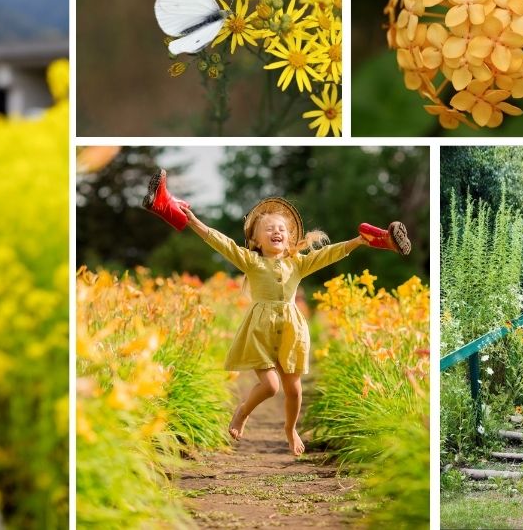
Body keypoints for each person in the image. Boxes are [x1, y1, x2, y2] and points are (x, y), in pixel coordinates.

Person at [142, 169, 409, 455]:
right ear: (256, 240)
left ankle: (290, 428)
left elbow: (327, 254)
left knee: (294, 390)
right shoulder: (250, 261)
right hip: (259, 332)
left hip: (291, 333)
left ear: (290, 239)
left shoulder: (298, 264)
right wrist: (193, 219)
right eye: (268, 229)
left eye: (281, 229)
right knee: (271, 387)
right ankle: (242, 412)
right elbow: (220, 242)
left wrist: (357, 242)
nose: (276, 231)